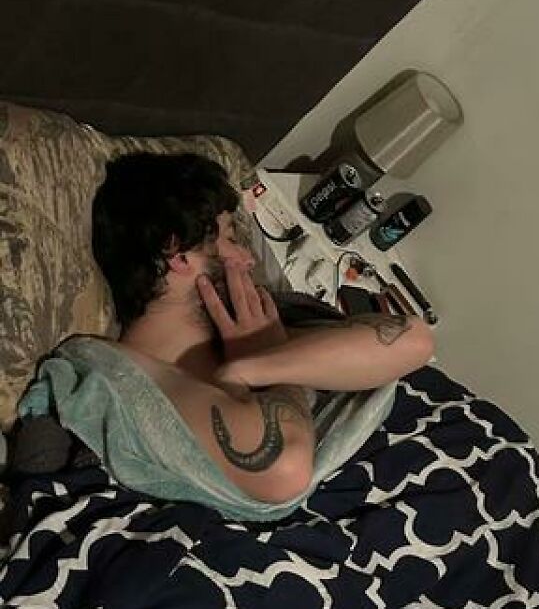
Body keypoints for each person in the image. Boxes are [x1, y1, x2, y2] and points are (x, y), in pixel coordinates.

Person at [73, 151, 434, 510]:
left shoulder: (250, 334)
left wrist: (259, 361)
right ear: (178, 254)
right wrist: (263, 369)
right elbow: (285, 471)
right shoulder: (128, 377)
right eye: (231, 238)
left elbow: (414, 341)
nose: (248, 260)